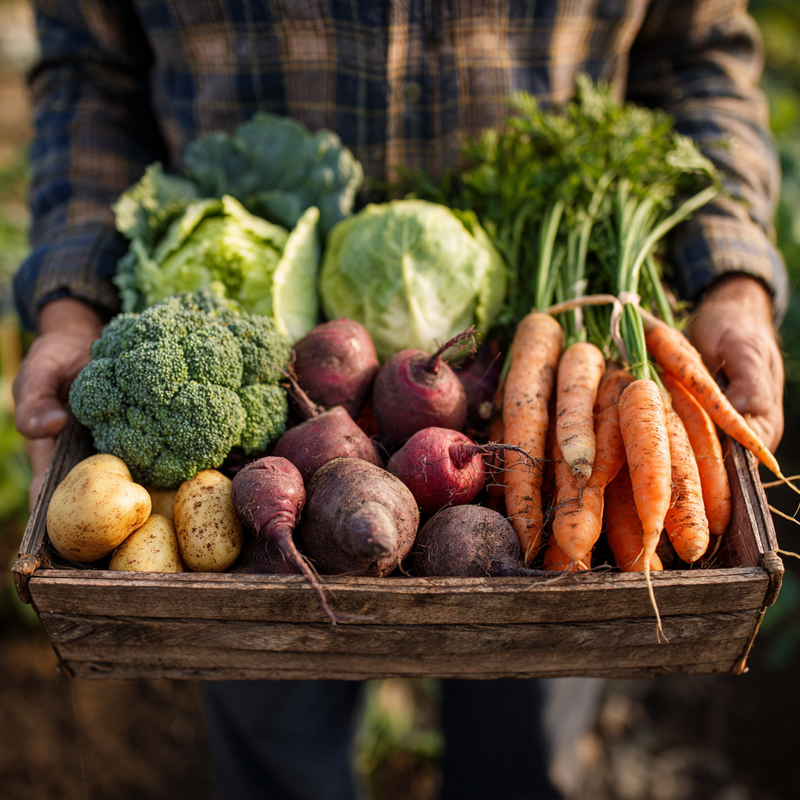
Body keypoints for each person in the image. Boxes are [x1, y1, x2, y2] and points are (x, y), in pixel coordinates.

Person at [11, 2, 786, 798]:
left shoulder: (526, 438)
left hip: (524, 379)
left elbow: (697, 54)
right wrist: (70, 307)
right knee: (278, 752)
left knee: (522, 754)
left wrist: (733, 282)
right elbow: (90, 74)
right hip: (273, 435)